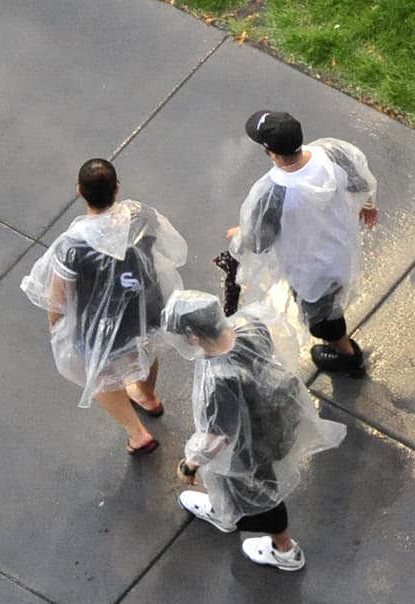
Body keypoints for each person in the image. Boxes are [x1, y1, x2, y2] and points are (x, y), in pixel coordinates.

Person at [162, 290, 346, 571]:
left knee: (261, 492)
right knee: (238, 483)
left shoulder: (219, 381)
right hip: (276, 423)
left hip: (250, 449)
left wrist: (190, 465)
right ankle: (222, 507)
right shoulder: (249, 325)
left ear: (194, 337)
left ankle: (284, 550)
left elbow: (217, 438)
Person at [21, 158, 187, 455]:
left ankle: (137, 434)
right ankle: (148, 397)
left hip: (101, 324)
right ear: (117, 188)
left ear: (79, 192)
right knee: (145, 348)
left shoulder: (72, 246)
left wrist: (56, 327)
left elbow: (57, 296)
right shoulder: (142, 215)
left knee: (99, 375)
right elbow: (170, 251)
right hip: (145, 307)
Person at [227, 110, 379, 377]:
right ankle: (342, 347)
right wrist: (367, 205)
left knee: (322, 319)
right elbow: (360, 181)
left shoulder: (272, 192)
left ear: (269, 152)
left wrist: (241, 233)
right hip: (341, 251)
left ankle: (347, 356)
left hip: (309, 272)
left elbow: (259, 242)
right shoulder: (331, 153)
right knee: (330, 303)